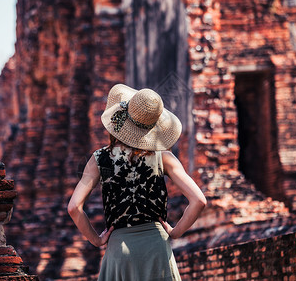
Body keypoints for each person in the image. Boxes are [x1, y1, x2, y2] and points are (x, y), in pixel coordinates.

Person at [68, 83, 207, 280]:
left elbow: (74, 207)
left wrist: (97, 240)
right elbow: (199, 201)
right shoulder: (163, 158)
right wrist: (175, 232)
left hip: (119, 250)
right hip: (156, 249)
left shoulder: (101, 160)